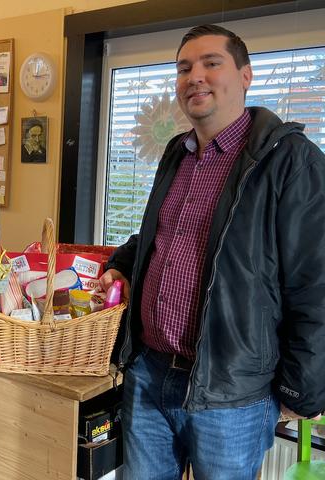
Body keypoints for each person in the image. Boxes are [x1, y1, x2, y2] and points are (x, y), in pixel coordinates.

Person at [100, 24, 325, 479]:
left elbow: (315, 284)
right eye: (184, 68)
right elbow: (159, 236)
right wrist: (122, 264)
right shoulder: (176, 154)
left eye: (211, 63)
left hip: (233, 394)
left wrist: (298, 393)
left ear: (245, 75)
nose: (194, 76)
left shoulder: (290, 160)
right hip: (148, 376)